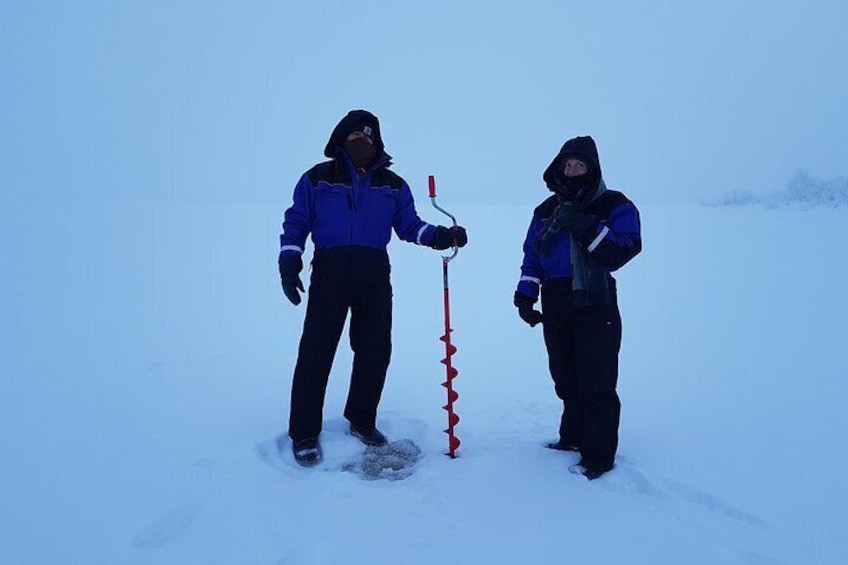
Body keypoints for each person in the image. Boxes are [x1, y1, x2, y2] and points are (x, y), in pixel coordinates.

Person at [278, 109, 468, 466]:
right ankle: (304, 432)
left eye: (368, 137)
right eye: (355, 137)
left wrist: (441, 236)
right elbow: (297, 220)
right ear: (341, 140)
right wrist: (289, 261)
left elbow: (409, 226)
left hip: (374, 271)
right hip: (330, 269)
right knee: (317, 350)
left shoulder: (392, 184)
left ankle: (362, 420)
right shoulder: (317, 178)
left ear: (377, 142)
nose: (362, 143)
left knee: (375, 348)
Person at [513, 135, 641, 480]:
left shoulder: (614, 204)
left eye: (579, 165)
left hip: (595, 301)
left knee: (597, 380)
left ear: (592, 169)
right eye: (567, 165)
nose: (572, 171)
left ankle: (598, 457)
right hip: (556, 300)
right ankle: (571, 438)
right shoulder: (545, 210)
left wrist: (584, 225)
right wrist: (526, 295)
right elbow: (532, 256)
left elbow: (622, 250)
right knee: (565, 376)